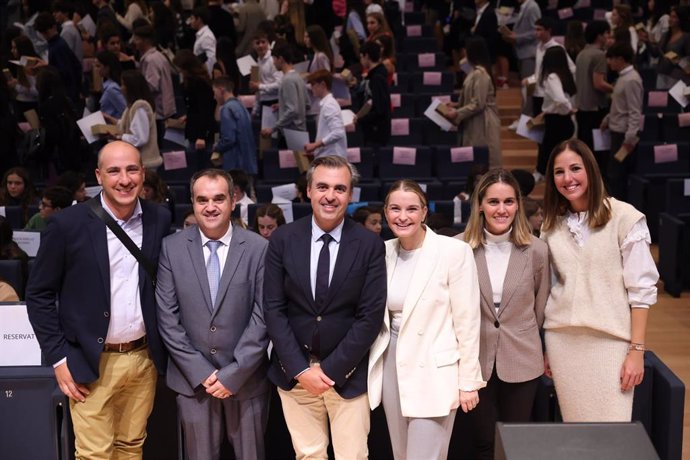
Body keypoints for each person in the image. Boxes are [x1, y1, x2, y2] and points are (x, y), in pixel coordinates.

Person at [25, 141, 172, 459]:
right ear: (98, 176)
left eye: (132, 169)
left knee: (132, 447)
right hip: (90, 362)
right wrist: (59, 359)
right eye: (114, 171)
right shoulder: (67, 225)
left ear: (143, 173)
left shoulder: (158, 219)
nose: (124, 179)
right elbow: (38, 295)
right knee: (95, 454)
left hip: (143, 359)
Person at [264, 155, 387, 459]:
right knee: (308, 455)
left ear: (350, 195)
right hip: (295, 375)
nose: (330, 196)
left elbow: (369, 317)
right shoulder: (282, 239)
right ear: (308, 191)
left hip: (348, 375)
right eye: (322, 187)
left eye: (339, 189)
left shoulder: (370, 244)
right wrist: (301, 369)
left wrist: (330, 371)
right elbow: (274, 309)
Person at [541, 139, 658, 422]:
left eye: (575, 168)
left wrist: (636, 351)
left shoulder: (625, 217)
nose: (568, 178)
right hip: (562, 341)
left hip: (610, 341)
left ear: (590, 170)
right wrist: (545, 348)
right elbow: (549, 290)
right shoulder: (550, 225)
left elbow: (641, 290)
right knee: (577, 433)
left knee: (612, 435)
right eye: (559, 172)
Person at [156, 169, 270, 459]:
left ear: (232, 200)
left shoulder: (259, 248)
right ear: (192, 203)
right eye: (202, 199)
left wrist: (233, 373)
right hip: (193, 382)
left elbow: (263, 315)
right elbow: (168, 318)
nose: (210, 207)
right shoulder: (171, 248)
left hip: (246, 380)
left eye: (218, 198)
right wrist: (202, 372)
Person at [368, 179, 484, 460]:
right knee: (402, 455)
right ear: (385, 213)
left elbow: (467, 321)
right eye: (395, 209)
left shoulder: (454, 252)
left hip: (435, 371)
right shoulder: (382, 252)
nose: (402, 216)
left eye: (411, 209)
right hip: (392, 367)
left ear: (424, 212)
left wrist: (468, 381)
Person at [459, 169, 550, 459]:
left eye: (509, 202)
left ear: (518, 205)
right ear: (480, 205)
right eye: (494, 202)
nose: (501, 210)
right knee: (483, 441)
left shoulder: (537, 250)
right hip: (474, 361)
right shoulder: (458, 248)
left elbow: (541, 307)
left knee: (515, 442)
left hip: (523, 358)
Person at [444, 37, 502, 168]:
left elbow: (478, 103)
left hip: (482, 123)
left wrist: (457, 113)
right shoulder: (474, 72)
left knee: (483, 162)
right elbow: (473, 99)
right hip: (474, 121)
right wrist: (456, 105)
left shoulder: (481, 74)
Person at [601, 42, 643, 202]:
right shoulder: (623, 78)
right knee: (613, 176)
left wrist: (629, 140)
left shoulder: (632, 80)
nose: (609, 63)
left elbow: (634, 112)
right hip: (617, 131)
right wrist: (608, 119)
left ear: (620, 59)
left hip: (623, 136)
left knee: (617, 177)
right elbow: (619, 105)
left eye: (610, 59)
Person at [535, 46, 576, 183]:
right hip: (564, 120)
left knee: (549, 149)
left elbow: (559, 99)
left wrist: (569, 108)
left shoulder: (552, 77)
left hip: (556, 120)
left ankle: (547, 176)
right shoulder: (566, 75)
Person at [575, 21, 613, 162]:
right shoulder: (599, 55)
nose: (609, 36)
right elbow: (599, 83)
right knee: (597, 155)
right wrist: (617, 88)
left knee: (584, 152)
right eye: (607, 33)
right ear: (600, 36)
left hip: (582, 108)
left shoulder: (582, 53)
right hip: (595, 110)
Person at [110, 69, 163, 170]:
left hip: (145, 164)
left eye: (123, 85)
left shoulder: (140, 107)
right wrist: (109, 119)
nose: (121, 88)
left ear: (131, 87)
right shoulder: (131, 106)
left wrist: (119, 138)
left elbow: (140, 138)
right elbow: (127, 125)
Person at [260, 43, 309, 146]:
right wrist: (281, 105)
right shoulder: (298, 77)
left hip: (290, 133)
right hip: (300, 132)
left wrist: (273, 128)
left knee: (291, 162)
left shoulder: (287, 80)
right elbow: (306, 103)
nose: (273, 63)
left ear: (280, 59)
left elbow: (292, 109)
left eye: (274, 59)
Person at [132, 25, 176, 140]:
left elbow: (151, 85)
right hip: (166, 109)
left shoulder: (150, 60)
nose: (134, 42)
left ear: (145, 41)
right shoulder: (159, 55)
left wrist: (135, 84)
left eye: (137, 39)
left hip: (159, 112)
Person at [33, 12, 82, 106]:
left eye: (45, 32)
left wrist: (47, 67)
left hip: (67, 94)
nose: (45, 35)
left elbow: (64, 72)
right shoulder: (57, 43)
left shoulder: (58, 46)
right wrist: (46, 65)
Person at [212, 77, 258, 176]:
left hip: (236, 164)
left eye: (214, 92)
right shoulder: (242, 107)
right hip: (248, 162)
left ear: (221, 90)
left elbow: (229, 139)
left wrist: (217, 147)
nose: (214, 97)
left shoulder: (227, 109)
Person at [304, 69, 347, 159]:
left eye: (313, 85)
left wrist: (315, 145)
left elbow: (338, 132)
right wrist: (316, 150)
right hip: (329, 157)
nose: (311, 88)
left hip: (332, 159)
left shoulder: (329, 105)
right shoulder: (327, 104)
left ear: (323, 84)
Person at [356, 41, 390, 147]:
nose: (360, 60)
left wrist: (360, 119)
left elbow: (380, 109)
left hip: (376, 132)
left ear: (366, 56)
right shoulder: (374, 76)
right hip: (373, 130)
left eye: (361, 57)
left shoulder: (377, 78)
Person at [95, 50, 127, 118]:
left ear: (107, 67)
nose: (96, 69)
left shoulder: (112, 89)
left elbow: (125, 111)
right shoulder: (107, 85)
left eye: (98, 66)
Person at [190, 6, 217, 76]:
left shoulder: (207, 37)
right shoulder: (201, 34)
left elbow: (211, 59)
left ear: (199, 19)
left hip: (205, 76)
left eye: (192, 18)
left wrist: (207, 76)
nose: (190, 21)